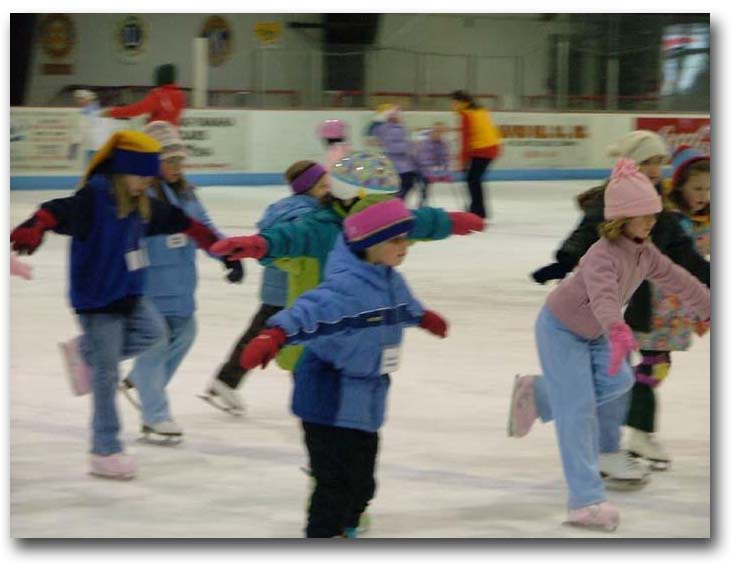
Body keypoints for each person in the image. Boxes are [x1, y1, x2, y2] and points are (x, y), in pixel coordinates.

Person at [508, 158, 710, 531]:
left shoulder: (644, 251)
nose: (653, 221)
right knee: (578, 410)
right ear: (622, 218)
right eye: (645, 215)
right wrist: (617, 330)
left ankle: (538, 393)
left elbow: (678, 278)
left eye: (654, 213)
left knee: (620, 383)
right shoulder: (602, 255)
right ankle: (584, 502)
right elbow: (602, 298)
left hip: (598, 333)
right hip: (561, 329)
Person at [9, 130, 222, 479]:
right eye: (140, 176)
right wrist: (36, 225)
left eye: (147, 177)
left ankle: (86, 353)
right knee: (107, 377)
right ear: (122, 172)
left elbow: (182, 221)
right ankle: (104, 449)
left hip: (130, 294)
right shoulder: (93, 200)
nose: (144, 184)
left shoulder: (142, 207)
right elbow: (54, 211)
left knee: (153, 334)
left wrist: (215, 246)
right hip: (97, 301)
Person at [208, 151, 485, 414]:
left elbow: (415, 222)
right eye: (379, 204)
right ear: (351, 199)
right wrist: (260, 245)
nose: (389, 213)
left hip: (365, 344)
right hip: (318, 346)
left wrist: (448, 222)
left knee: (358, 424)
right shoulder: (320, 228)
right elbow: (291, 237)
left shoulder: (381, 225)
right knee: (326, 422)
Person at [239, 199, 450, 538]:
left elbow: (403, 306)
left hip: (367, 396)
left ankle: (348, 524)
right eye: (396, 241)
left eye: (406, 240)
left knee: (362, 481)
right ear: (371, 245)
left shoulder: (390, 280)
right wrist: (273, 335)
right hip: (328, 396)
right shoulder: (344, 288)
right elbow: (306, 312)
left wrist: (423, 317)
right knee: (333, 481)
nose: (405, 247)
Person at [116, 121, 244, 440]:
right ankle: (155, 415)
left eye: (179, 160)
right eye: (169, 160)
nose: (176, 166)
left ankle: (143, 382)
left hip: (181, 286)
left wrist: (227, 254)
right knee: (155, 344)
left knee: (186, 334)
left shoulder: (186, 193)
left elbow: (205, 226)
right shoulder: (139, 193)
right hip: (149, 287)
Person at [202, 160, 331, 414]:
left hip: (275, 290)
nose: (329, 189)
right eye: (324, 184)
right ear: (311, 188)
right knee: (300, 344)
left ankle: (226, 380)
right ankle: (311, 401)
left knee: (260, 337)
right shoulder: (308, 215)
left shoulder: (282, 208)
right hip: (294, 290)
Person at [625, 145, 710, 468]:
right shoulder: (666, 218)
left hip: (678, 311)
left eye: (708, 188)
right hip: (654, 308)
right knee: (652, 368)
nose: (703, 195)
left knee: (653, 368)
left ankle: (626, 418)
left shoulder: (700, 218)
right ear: (679, 185)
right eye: (697, 188)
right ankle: (639, 434)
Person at [450, 90, 502, 220]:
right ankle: (478, 210)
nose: (452, 105)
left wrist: (462, 162)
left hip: (482, 149)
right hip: (491, 147)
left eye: (454, 102)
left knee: (473, 179)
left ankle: (477, 211)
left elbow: (465, 141)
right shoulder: (480, 111)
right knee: (474, 179)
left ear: (462, 102)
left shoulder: (467, 115)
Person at [104, 64, 186, 126]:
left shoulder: (159, 94)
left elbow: (137, 109)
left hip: (157, 137)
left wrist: (112, 112)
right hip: (173, 136)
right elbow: (169, 114)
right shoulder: (180, 95)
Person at [371, 106, 419, 200]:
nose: (400, 117)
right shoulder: (385, 129)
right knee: (397, 190)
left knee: (407, 186)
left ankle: (397, 206)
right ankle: (395, 206)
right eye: (396, 115)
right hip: (395, 167)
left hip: (405, 166)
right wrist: (408, 145)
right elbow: (390, 147)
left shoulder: (401, 127)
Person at [414, 122, 452, 207]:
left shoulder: (443, 143)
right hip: (416, 168)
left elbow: (445, 158)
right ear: (432, 130)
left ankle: (422, 207)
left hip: (428, 171)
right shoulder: (425, 142)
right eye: (436, 131)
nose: (438, 133)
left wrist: (446, 172)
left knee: (425, 190)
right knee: (418, 187)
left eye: (441, 131)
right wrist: (431, 173)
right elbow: (423, 160)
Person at [70, 89, 110, 164]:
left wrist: (74, 145)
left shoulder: (84, 113)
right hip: (101, 146)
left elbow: (79, 130)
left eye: (81, 99)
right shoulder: (102, 110)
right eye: (78, 99)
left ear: (88, 99)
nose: (79, 101)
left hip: (94, 146)